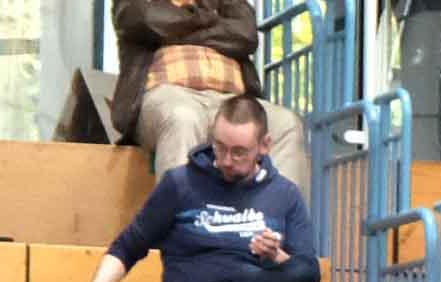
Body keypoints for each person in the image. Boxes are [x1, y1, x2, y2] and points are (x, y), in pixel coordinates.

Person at [73, 97, 323, 282]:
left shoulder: (285, 194)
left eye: (239, 152)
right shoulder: (181, 184)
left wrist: (276, 256)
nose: (227, 160)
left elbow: (303, 276)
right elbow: (129, 245)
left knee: (305, 270)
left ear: (265, 146)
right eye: (220, 147)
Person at [112, 0, 313, 196]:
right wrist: (215, 24)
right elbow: (146, 20)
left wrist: (177, 29)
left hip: (233, 102)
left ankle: (280, 225)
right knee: (182, 117)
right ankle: (182, 226)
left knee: (286, 123)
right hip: (168, 96)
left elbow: (246, 33)